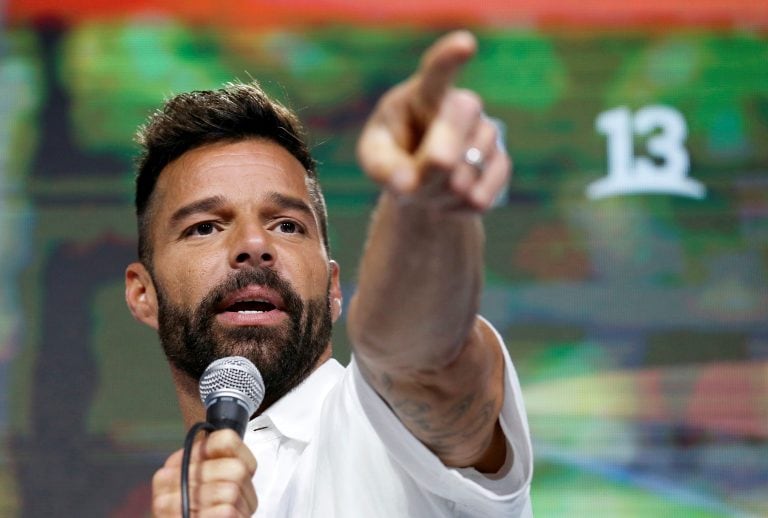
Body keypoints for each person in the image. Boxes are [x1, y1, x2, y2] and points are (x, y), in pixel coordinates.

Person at [124, 30, 532, 517]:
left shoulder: (380, 425)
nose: (254, 246)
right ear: (142, 293)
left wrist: (421, 214)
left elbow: (422, 359)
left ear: (334, 287)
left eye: (287, 225)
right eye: (205, 227)